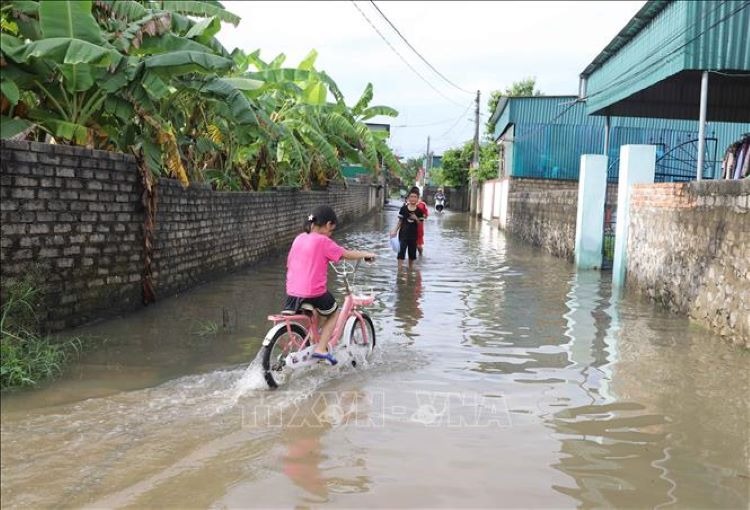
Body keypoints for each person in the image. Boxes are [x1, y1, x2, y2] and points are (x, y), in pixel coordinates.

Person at [283, 205, 376, 365]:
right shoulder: (323, 241)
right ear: (327, 225)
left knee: (318, 310)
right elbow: (345, 254)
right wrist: (366, 254)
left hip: (292, 292)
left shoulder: (299, 238)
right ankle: (321, 348)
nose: (331, 234)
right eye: (331, 230)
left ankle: (313, 340)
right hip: (313, 292)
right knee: (333, 312)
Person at [389, 187, 425, 268]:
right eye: (411, 197)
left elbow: (420, 224)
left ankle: (410, 270)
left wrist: (416, 218)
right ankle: (400, 271)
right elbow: (400, 221)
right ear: (408, 198)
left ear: (418, 199)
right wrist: (394, 230)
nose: (413, 199)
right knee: (401, 253)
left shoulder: (419, 211)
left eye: (415, 197)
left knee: (412, 255)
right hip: (403, 234)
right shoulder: (403, 209)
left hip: (413, 235)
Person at [415, 188, 429, 256]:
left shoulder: (422, 204)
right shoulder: (407, 204)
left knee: (418, 246)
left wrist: (420, 217)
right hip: (409, 227)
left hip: (419, 227)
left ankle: (420, 255)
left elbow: (426, 215)